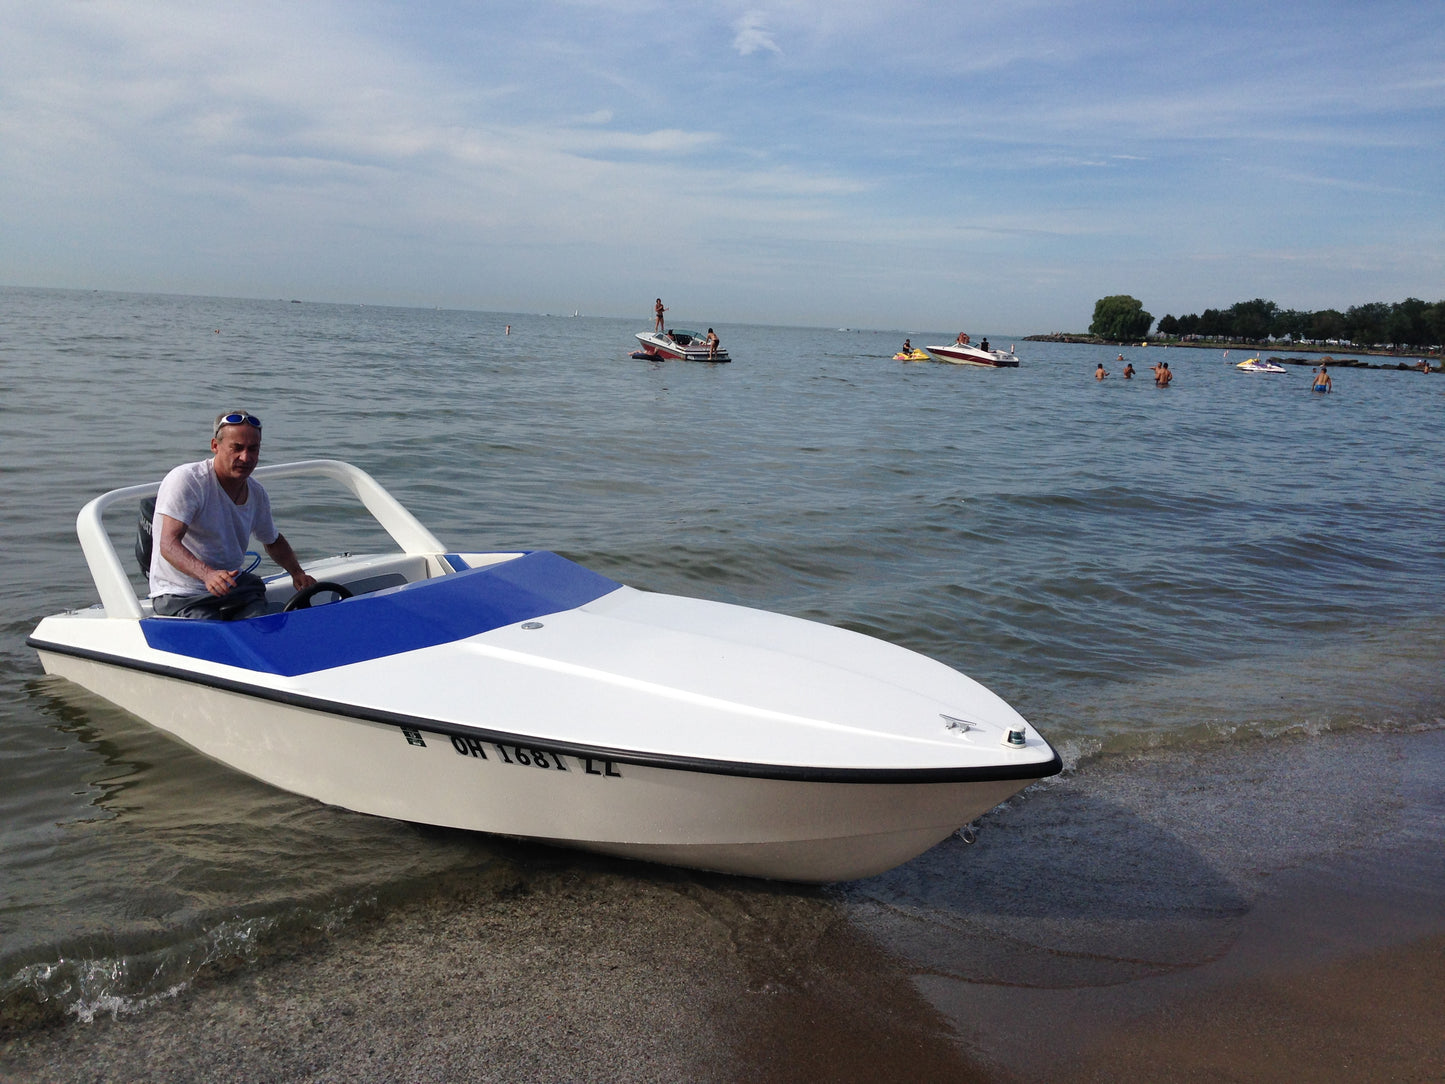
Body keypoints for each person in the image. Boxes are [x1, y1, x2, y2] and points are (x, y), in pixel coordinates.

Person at [149, 410, 315, 620]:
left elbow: (272, 541)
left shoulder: (256, 492)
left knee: (263, 625)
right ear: (215, 446)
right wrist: (207, 575)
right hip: (181, 593)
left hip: (232, 588)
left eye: (253, 449)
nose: (245, 458)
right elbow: (168, 544)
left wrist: (297, 573)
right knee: (214, 640)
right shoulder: (188, 480)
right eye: (236, 448)